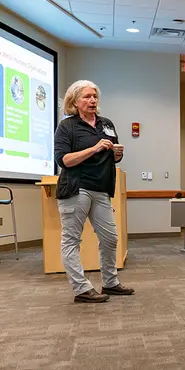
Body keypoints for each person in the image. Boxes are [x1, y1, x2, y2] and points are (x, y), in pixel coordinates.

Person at [53, 80, 134, 303]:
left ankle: (110, 282)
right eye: (87, 97)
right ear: (74, 101)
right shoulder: (67, 126)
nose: (92, 100)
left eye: (95, 96)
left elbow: (113, 155)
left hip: (102, 188)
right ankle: (81, 289)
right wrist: (95, 147)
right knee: (71, 240)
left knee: (110, 238)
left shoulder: (106, 124)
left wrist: (117, 153)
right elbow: (64, 160)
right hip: (77, 188)